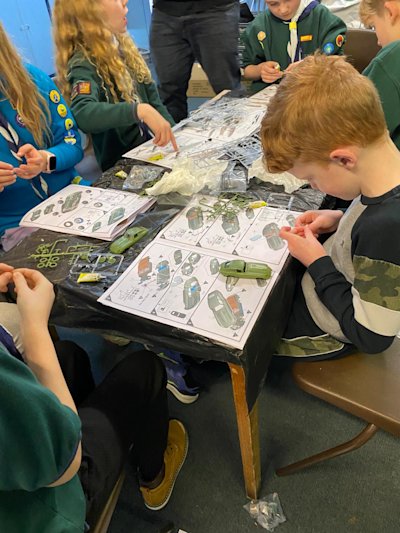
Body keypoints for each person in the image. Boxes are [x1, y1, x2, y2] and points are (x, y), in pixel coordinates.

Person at [0, 263, 188, 532]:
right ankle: (153, 476)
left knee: (68, 354)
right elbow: (64, 459)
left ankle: (101, 426)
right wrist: (35, 327)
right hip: (49, 504)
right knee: (146, 369)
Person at [260, 54, 400, 359]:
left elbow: (372, 336)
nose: (313, 187)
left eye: (311, 177)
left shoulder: (387, 228)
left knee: (255, 332)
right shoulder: (386, 173)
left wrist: (317, 262)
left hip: (328, 327)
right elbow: (368, 216)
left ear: (344, 159)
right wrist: (339, 218)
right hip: (330, 279)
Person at [52, 0, 177, 172]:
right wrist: (139, 110)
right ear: (92, 12)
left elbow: (155, 104)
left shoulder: (125, 49)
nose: (125, 1)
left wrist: (174, 135)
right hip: (123, 168)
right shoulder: (84, 63)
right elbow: (83, 113)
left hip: (151, 151)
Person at [0, 22, 83, 244]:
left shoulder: (33, 80)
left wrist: (46, 158)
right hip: (16, 225)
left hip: (71, 196)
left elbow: (72, 143)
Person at [150, 0, 242, 123]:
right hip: (165, 11)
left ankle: (240, 139)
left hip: (216, 9)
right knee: (169, 93)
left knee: (228, 90)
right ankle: (173, 140)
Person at [242, 0, 347, 93]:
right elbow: (247, 70)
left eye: (288, 0)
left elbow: (339, 62)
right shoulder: (259, 26)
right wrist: (260, 70)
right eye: (273, 4)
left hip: (317, 94)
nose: (283, 10)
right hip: (273, 97)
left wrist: (313, 65)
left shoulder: (322, 18)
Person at [360, 0, 400, 150]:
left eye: (374, 26)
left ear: (390, 12)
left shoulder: (392, 58)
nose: (378, 41)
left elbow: (353, 134)